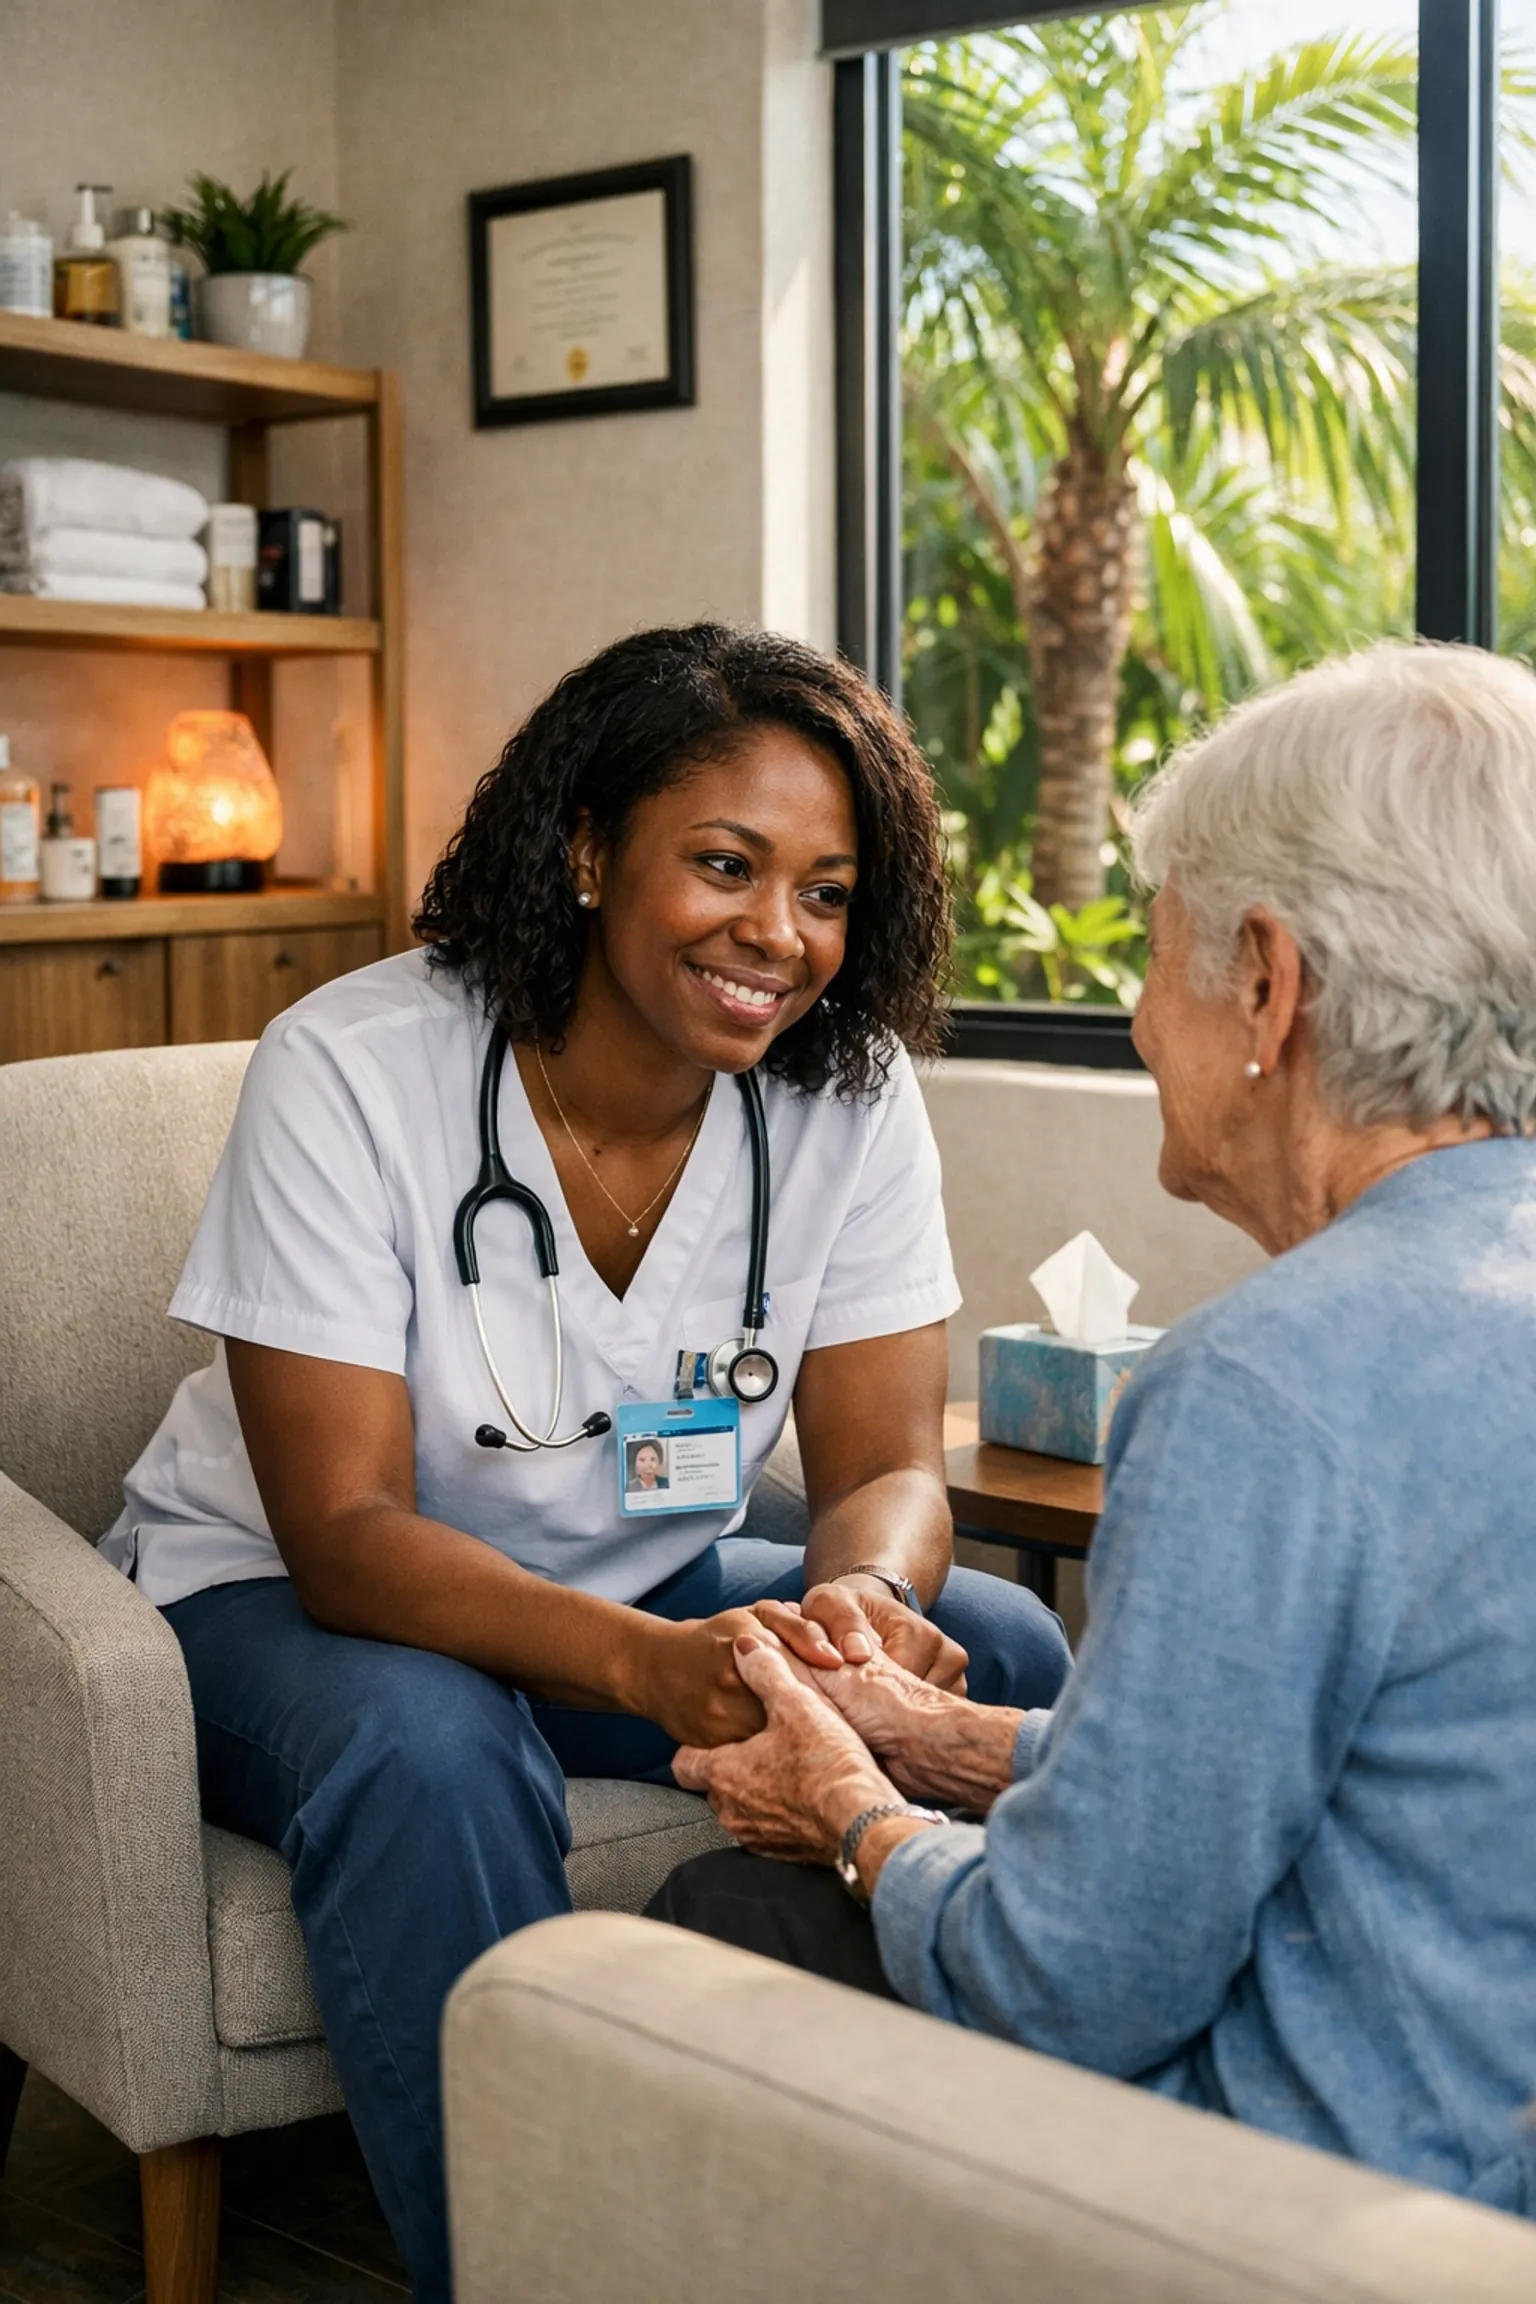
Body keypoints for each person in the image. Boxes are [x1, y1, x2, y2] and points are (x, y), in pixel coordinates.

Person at [99, 622, 1071, 2301]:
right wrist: (660, 1664)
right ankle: (536, 2263)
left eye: (828, 892)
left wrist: (850, 1610)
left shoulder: (848, 1097)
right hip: (283, 1602)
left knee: (998, 1648)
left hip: (639, 1579)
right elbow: (341, 1531)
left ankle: (903, 2210)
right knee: (428, 1745)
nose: (779, 934)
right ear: (585, 849)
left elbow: (886, 1460)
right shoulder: (356, 1069)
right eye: (724, 865)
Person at [653, 641, 1536, 2220]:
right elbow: (1393, 1772)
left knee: (720, 1915)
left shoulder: (1263, 1388)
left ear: (1267, 985)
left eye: (1154, 951)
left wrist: (849, 1812)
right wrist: (938, 1740)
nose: (1137, 1016)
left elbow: (1068, 1984)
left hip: (1327, 2208)